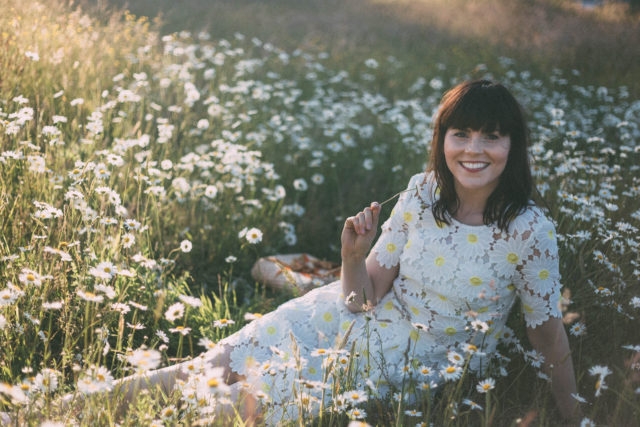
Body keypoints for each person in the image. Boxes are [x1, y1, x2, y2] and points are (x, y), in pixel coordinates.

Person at [94, 79, 580, 424]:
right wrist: (352, 256)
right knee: (209, 367)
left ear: (512, 146)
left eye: (492, 136)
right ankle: (50, 412)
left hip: (415, 358)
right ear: (443, 139)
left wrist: (575, 414)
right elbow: (360, 302)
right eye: (462, 133)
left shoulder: (528, 230)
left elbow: (546, 334)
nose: (474, 149)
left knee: (237, 405)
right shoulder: (422, 194)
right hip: (344, 319)